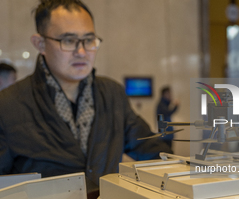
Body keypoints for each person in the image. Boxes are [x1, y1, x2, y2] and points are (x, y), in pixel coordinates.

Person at [0, 0, 172, 188]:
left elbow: (149, 148)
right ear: (40, 43)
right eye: (68, 41)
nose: (81, 52)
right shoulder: (8, 105)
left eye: (89, 40)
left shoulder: (111, 93)